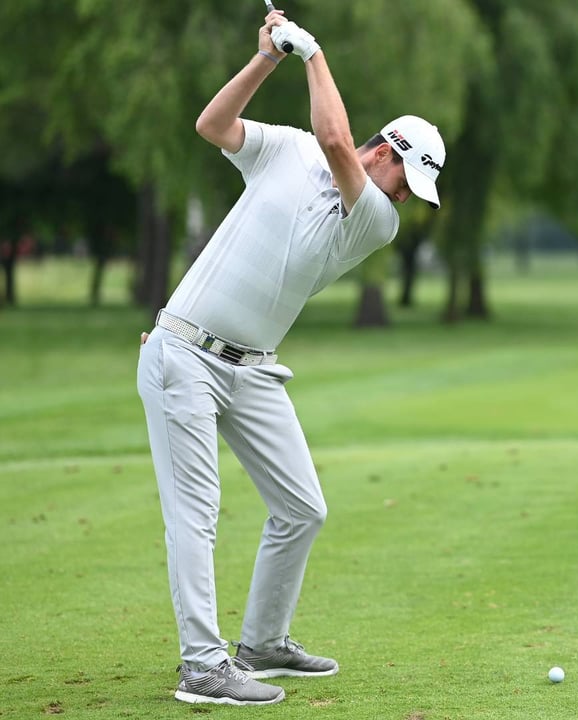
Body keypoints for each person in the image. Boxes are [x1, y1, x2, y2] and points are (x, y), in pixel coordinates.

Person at [136, 9, 446, 705]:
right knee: (196, 513)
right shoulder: (288, 148)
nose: (405, 200)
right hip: (183, 352)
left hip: (253, 369)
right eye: (406, 181)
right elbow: (213, 127)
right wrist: (267, 61)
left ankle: (262, 643)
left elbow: (336, 139)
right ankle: (203, 666)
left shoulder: (375, 217)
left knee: (302, 506)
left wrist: (311, 52)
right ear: (388, 152)